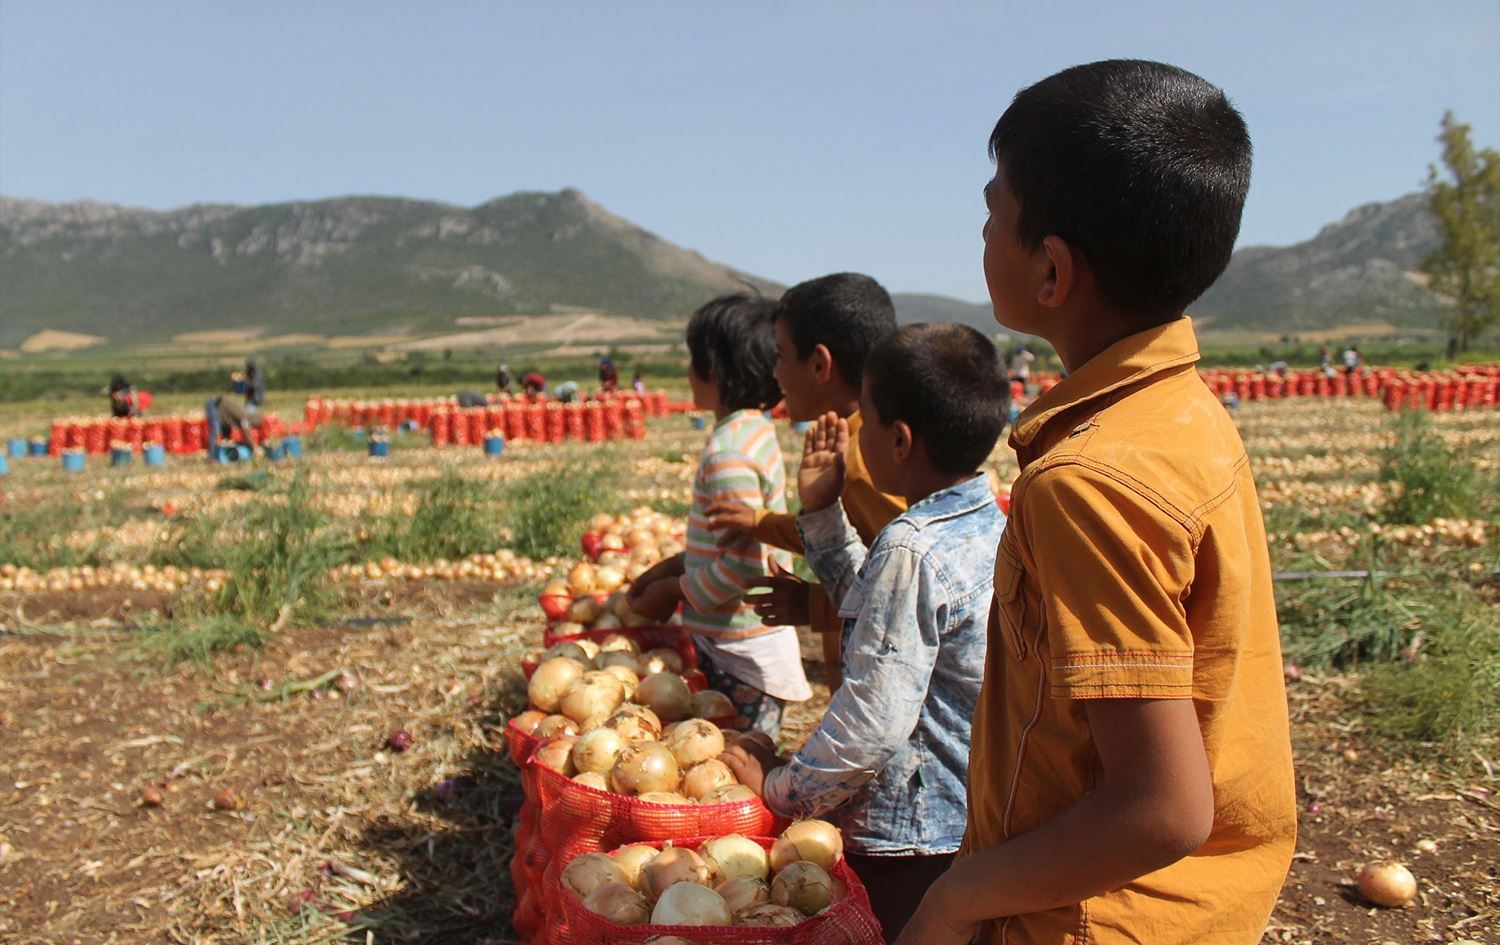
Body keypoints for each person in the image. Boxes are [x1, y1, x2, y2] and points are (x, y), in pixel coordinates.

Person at [895, 60, 1296, 945]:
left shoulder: (1089, 482)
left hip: (1084, 919)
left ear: (1051, 270)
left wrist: (958, 896)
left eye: (994, 210)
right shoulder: (1179, 412)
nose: (982, 230)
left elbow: (1160, 808)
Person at [720, 322, 1010, 939]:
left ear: (898, 440)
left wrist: (780, 788)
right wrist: (823, 511)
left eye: (866, 422)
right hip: (970, 818)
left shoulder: (912, 545)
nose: (856, 438)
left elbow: (871, 726)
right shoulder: (985, 525)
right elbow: (876, 611)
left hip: (908, 836)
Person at [705, 272, 904, 693]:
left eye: (780, 355)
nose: (774, 371)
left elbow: (904, 596)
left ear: (819, 365)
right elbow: (842, 534)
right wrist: (759, 522)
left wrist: (814, 605)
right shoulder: (863, 445)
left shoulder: (861, 465)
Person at [627, 293, 811, 737]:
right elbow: (740, 543)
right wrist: (676, 565)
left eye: (693, 359)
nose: (687, 371)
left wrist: (673, 589)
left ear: (712, 369)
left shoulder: (729, 453)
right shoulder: (754, 430)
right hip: (742, 638)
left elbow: (744, 564)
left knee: (737, 753)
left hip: (741, 649)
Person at [205, 392, 264, 457]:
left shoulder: (244, 415)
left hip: (224, 410)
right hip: (214, 405)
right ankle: (211, 457)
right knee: (215, 431)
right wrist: (253, 448)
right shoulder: (244, 418)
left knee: (227, 438)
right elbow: (246, 434)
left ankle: (224, 454)